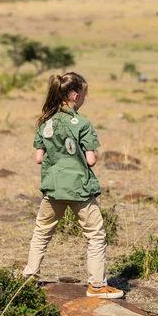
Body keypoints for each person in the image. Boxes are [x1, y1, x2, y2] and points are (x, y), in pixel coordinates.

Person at [23, 72, 123, 299]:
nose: (85, 100)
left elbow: (38, 158)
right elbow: (91, 160)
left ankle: (29, 276)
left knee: (41, 232)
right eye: (84, 96)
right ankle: (97, 286)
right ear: (76, 96)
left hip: (53, 188)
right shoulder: (84, 124)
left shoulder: (46, 122)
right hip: (79, 189)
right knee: (95, 235)